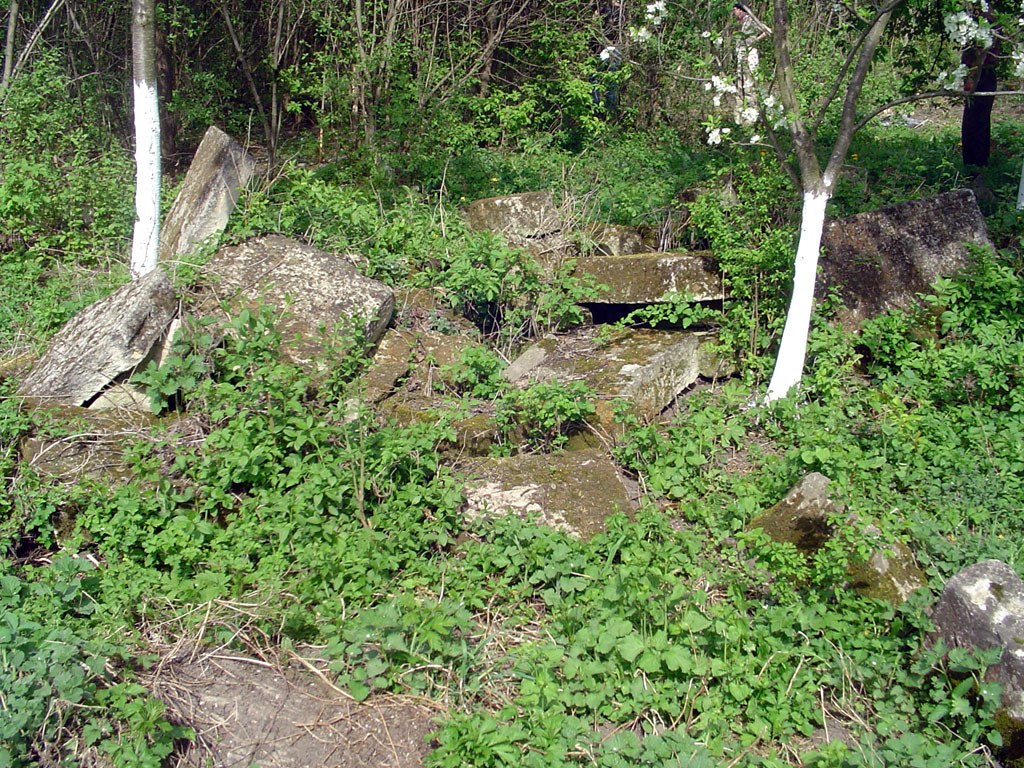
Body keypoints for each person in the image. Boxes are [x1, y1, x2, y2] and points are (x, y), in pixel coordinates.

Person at [732, 3, 768, 124]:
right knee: (739, 86)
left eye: (735, 10)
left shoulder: (751, 20)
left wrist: (753, 42)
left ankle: (752, 118)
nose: (734, 13)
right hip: (740, 57)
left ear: (740, 10)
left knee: (749, 86)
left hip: (750, 56)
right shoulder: (740, 24)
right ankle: (739, 118)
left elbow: (767, 31)